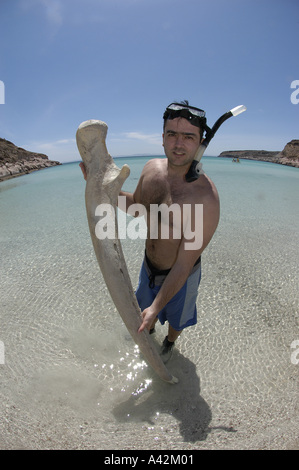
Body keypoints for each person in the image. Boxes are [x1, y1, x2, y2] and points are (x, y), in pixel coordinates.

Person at [80, 101, 220, 363]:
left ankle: (169, 343)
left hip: (183, 274)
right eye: (172, 134)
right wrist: (102, 188)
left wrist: (157, 307)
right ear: (163, 138)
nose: (178, 144)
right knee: (143, 313)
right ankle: (150, 330)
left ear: (201, 141)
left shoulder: (206, 199)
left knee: (177, 320)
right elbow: (137, 208)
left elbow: (183, 263)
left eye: (188, 137)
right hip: (149, 268)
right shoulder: (151, 170)